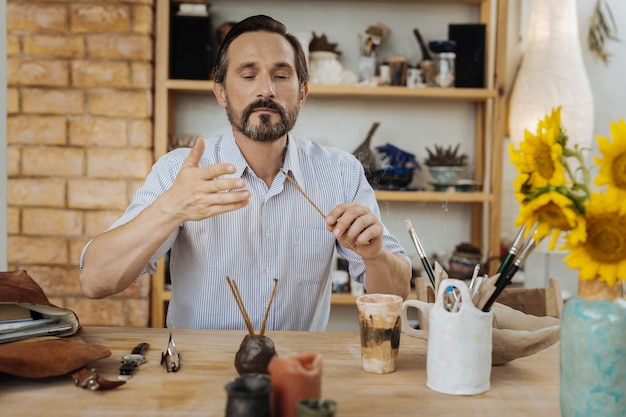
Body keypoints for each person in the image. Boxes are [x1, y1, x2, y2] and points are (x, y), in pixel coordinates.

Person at [79, 15, 411, 331]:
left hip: (295, 370)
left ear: (302, 93)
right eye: (248, 75)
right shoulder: (180, 171)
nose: (265, 89)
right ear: (221, 91)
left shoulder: (341, 172)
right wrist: (171, 208)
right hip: (197, 371)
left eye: (281, 76)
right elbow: (95, 282)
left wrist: (375, 254)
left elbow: (397, 294)